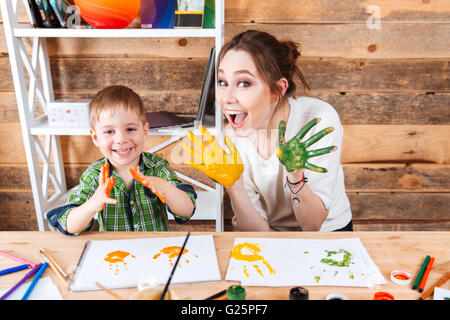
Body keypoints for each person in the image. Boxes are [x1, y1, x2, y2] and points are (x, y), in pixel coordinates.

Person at [184, 30, 352, 232]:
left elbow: (312, 225)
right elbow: (258, 233)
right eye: (222, 82)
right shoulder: (229, 141)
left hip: (329, 235)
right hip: (271, 237)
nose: (227, 98)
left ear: (278, 90)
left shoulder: (317, 120)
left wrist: (295, 174)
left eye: (244, 83)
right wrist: (234, 185)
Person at [47, 85, 197, 235]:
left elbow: (186, 211)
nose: (121, 139)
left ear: (144, 131)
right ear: (96, 137)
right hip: (113, 254)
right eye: (109, 131)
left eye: (130, 129)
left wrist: (165, 188)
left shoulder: (157, 167)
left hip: (155, 250)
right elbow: (69, 226)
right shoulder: (95, 173)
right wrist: (93, 203)